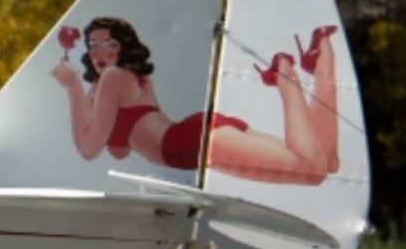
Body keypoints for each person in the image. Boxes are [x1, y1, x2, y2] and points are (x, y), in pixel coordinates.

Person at [52, 16, 339, 184]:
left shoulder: (114, 77)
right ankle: (323, 58)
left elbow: (89, 150)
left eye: (110, 45)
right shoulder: (123, 81)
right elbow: (120, 151)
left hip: (187, 143)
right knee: (325, 164)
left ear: (123, 49)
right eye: (93, 46)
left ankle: (284, 74)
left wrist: (73, 87)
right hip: (192, 139)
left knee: (312, 169)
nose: (101, 53)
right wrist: (87, 98)